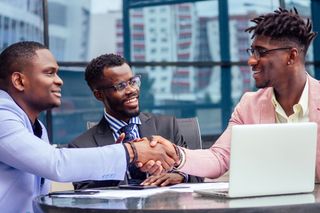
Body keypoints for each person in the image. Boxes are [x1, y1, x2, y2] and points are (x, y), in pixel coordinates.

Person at [142, 7, 320, 185]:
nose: (251, 61)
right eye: (252, 52)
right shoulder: (249, 104)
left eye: (261, 52)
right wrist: (176, 154)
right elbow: (219, 158)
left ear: (291, 56)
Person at [0, 41, 178, 213]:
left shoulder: (36, 126)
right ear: (19, 81)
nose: (60, 81)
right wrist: (132, 151)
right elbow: (56, 164)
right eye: (49, 73)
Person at [68, 53, 203, 189]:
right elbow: (84, 194)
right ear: (99, 95)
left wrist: (180, 176)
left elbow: (198, 172)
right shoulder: (82, 147)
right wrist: (116, 162)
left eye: (133, 82)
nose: (132, 90)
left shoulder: (167, 126)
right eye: (120, 86)